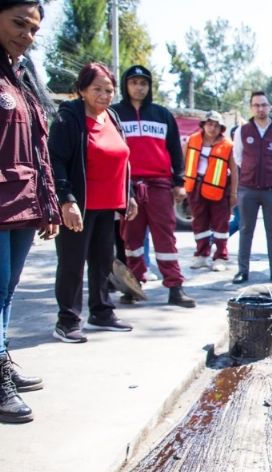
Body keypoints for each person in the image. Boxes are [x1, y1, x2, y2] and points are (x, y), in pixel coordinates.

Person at [0, 0, 60, 423]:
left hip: (22, 201)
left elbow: (39, 148)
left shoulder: (21, 76)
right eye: (19, 24)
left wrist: (49, 204)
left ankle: (1, 357)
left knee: (5, 291)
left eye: (34, 29)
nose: (28, 34)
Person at [49, 62, 138, 343]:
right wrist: (66, 200)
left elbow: (123, 159)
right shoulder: (69, 118)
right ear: (82, 90)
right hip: (79, 206)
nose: (104, 95)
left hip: (108, 204)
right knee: (72, 263)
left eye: (109, 90)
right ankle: (67, 320)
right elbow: (57, 162)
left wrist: (130, 194)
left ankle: (101, 312)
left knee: (102, 261)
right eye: (97, 89)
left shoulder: (112, 117)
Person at [112, 65, 195, 308]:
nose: (139, 87)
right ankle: (133, 286)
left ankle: (175, 287)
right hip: (128, 188)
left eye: (143, 83)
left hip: (159, 186)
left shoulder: (162, 114)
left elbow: (175, 152)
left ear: (149, 87)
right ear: (126, 85)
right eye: (134, 82)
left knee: (165, 239)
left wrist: (179, 182)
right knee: (131, 239)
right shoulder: (114, 114)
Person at [231, 91, 272, 285]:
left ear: (269, 107)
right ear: (251, 108)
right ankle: (242, 271)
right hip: (248, 188)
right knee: (246, 229)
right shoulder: (243, 131)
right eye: (256, 105)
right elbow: (238, 157)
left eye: (263, 105)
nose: (260, 109)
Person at [184, 110, 236, 272]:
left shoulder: (228, 145)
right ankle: (201, 255)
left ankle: (220, 257)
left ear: (221, 128)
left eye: (216, 125)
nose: (212, 128)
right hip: (195, 187)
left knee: (220, 223)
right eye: (209, 124)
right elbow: (182, 160)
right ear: (203, 125)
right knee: (199, 222)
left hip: (219, 189)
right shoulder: (192, 140)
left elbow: (234, 172)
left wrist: (234, 193)